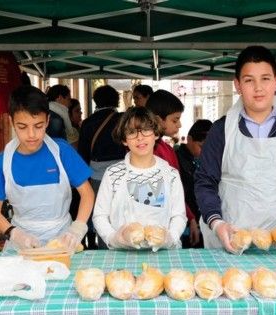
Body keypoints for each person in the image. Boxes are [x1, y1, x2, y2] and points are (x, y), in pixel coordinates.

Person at [194, 45, 276, 252]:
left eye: (265, 78)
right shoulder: (221, 130)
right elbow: (205, 182)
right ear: (237, 85)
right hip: (231, 242)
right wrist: (217, 223)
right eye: (248, 80)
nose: (258, 87)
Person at [0, 85, 95, 253]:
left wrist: (77, 228)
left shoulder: (62, 152)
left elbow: (87, 194)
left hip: (62, 240)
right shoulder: (2, 162)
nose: (32, 134)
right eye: (22, 127)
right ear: (12, 122)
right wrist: (14, 233)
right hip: (21, 243)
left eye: (38, 125)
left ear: (48, 121)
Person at [93, 107, 187, 249]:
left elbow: (178, 215)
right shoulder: (113, 174)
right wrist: (114, 238)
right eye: (131, 132)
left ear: (156, 134)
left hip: (162, 254)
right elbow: (100, 216)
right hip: (122, 254)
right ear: (124, 140)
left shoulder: (171, 174)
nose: (140, 137)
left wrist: (170, 238)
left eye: (146, 129)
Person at [146, 89, 198, 242]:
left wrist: (190, 217)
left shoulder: (166, 148)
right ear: (158, 120)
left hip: (170, 223)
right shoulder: (154, 151)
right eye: (175, 120)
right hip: (158, 224)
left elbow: (176, 189)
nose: (180, 124)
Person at [78, 85, 127, 249]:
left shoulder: (87, 123)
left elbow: (83, 153)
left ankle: (104, 248)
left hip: (96, 175)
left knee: (101, 214)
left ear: (95, 101)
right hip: (123, 173)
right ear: (116, 100)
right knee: (123, 212)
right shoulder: (123, 119)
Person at [176, 119, 213, 248]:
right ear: (189, 139)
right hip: (185, 224)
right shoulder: (177, 160)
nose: (205, 152)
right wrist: (191, 220)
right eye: (201, 147)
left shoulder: (204, 160)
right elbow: (179, 195)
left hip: (201, 222)